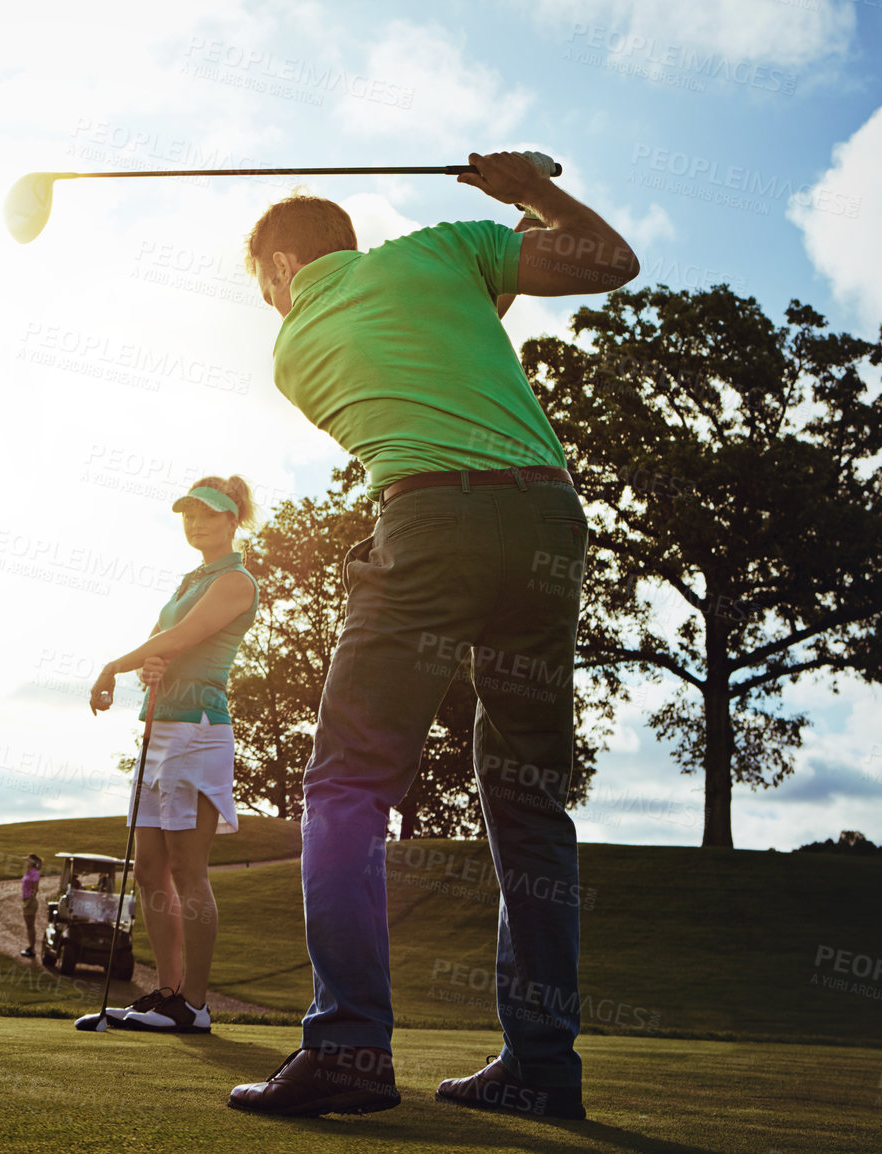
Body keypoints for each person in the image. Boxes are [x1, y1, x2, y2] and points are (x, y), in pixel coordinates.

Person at [225, 152, 637, 1119]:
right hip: (547, 522)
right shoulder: (446, 252)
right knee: (531, 802)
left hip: (427, 526)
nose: (269, 305)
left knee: (347, 786)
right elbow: (607, 261)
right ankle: (541, 1065)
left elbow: (427, 347)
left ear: (282, 272)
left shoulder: (293, 351)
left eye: (262, 288)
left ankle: (349, 1047)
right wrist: (522, 192)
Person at [88, 476, 260, 1034]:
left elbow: (183, 637)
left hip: (198, 731)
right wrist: (149, 666)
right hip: (161, 728)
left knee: (188, 868)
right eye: (188, 513)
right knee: (148, 871)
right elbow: (165, 647)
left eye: (209, 514)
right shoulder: (191, 579)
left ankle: (195, 1004)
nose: (196, 522)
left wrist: (115, 664)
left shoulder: (236, 580)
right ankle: (167, 991)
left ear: (234, 520)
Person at [19, 854, 43, 958]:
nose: (26, 862)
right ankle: (31, 947)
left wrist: (29, 900)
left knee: (30, 926)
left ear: (32, 862)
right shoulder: (28, 872)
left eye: (28, 861)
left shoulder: (34, 873)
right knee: (28, 926)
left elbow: (35, 889)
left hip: (30, 901)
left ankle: (32, 948)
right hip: (26, 900)